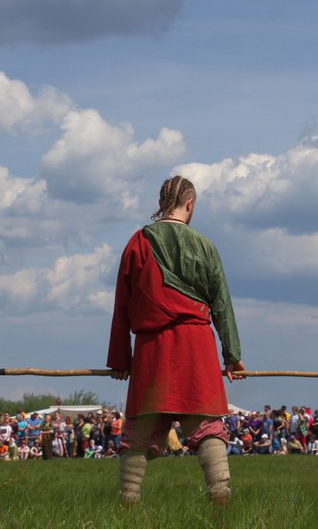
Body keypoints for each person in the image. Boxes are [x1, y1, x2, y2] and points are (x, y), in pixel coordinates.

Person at [107, 175, 245, 506]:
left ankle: (128, 504)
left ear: (162, 202)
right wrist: (231, 356)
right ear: (190, 204)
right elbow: (221, 304)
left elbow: (122, 304)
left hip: (152, 350)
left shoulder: (137, 242)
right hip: (196, 349)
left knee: (139, 435)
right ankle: (221, 502)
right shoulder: (205, 245)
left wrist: (120, 359)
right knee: (208, 429)